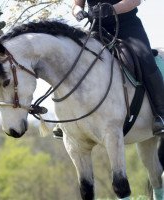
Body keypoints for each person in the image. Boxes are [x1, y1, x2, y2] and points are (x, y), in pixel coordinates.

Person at [53, 0, 164, 138]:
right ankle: (66, 118)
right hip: (98, 28)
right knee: (77, 59)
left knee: (144, 58)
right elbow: (77, 4)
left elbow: (135, 1)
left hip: (127, 26)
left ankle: (161, 113)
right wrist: (78, 12)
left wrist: (111, 9)